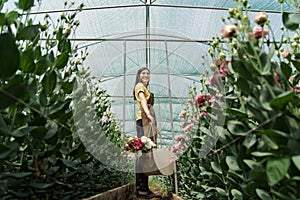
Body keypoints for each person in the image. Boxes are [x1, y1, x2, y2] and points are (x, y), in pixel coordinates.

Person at [133, 67, 160, 199]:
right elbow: (143, 100)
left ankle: (145, 188)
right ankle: (141, 189)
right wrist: (149, 114)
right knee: (144, 154)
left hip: (147, 123)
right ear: (139, 75)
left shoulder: (145, 88)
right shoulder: (139, 87)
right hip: (142, 121)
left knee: (147, 154)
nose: (146, 75)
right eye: (143, 73)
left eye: (148, 73)